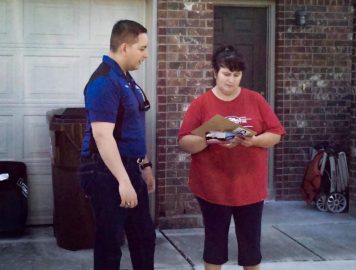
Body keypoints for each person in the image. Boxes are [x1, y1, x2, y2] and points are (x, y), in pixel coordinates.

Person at [178, 46, 286, 270]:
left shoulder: (255, 99)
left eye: (236, 75)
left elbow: (275, 134)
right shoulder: (201, 103)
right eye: (226, 74)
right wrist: (211, 136)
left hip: (250, 187)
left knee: (251, 248)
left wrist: (254, 141)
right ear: (215, 72)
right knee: (214, 245)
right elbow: (185, 142)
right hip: (213, 187)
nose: (231, 80)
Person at [79, 20, 156, 270]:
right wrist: (123, 181)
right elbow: (103, 137)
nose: (146, 55)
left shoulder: (126, 79)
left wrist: (144, 165)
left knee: (144, 237)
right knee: (110, 244)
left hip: (130, 167)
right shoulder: (104, 81)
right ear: (125, 47)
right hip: (107, 172)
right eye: (142, 48)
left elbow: (131, 127)